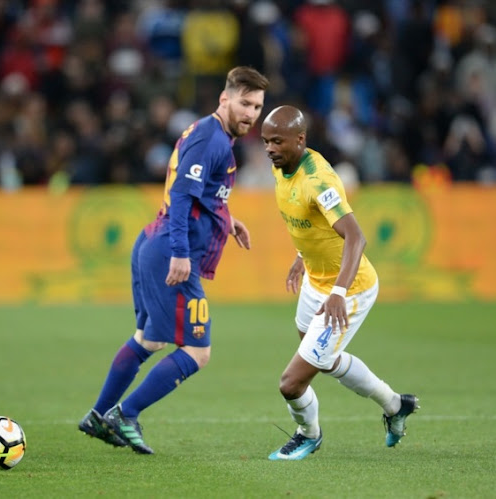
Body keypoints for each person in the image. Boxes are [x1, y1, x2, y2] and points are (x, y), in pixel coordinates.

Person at [79, 66, 269, 454]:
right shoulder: (210, 140)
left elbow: (201, 193)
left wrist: (228, 220)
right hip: (170, 250)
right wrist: (181, 253)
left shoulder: (211, 136)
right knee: (198, 351)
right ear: (224, 98)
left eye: (257, 106)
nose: (251, 113)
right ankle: (124, 413)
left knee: (148, 339)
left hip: (154, 242)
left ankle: (98, 415)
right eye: (245, 103)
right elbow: (182, 196)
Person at [260, 105, 418, 461]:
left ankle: (307, 435)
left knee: (291, 382)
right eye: (266, 141)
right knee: (324, 360)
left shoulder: (319, 181)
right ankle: (395, 405)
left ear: (300, 139)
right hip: (316, 281)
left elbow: (356, 238)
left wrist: (338, 294)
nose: (269, 148)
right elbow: (312, 225)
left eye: (277, 141)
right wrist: (303, 258)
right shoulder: (282, 167)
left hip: (349, 288)